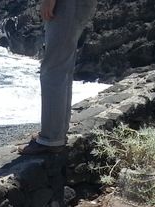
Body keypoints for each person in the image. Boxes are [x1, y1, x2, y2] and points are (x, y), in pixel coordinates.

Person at [20, 0, 98, 155]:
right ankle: (57, 132)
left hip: (68, 5)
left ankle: (51, 138)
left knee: (53, 70)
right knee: (62, 67)